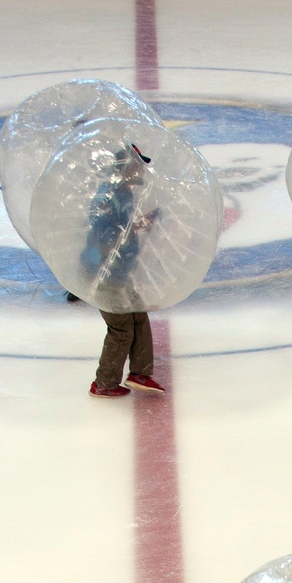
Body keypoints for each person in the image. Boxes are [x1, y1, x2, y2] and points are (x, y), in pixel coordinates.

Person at [82, 144, 165, 398]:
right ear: (126, 168)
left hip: (119, 271)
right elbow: (105, 235)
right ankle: (104, 383)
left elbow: (119, 230)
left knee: (137, 314)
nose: (141, 169)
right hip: (105, 273)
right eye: (138, 164)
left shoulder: (123, 195)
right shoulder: (111, 197)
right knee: (121, 328)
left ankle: (140, 372)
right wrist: (135, 227)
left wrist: (139, 224)